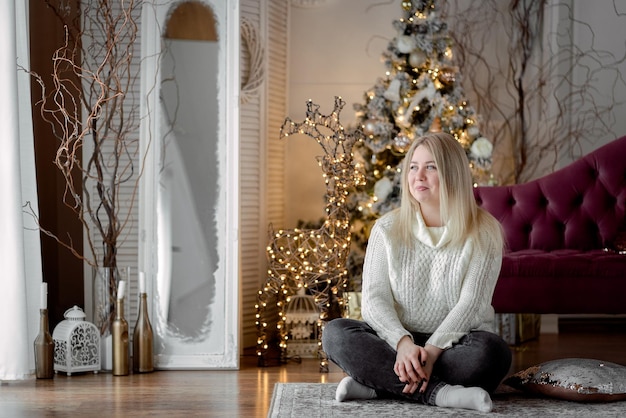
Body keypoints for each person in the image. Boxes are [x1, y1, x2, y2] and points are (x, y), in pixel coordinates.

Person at [322, 132, 512, 412]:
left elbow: (471, 305)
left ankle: (377, 386)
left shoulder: (483, 231)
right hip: (396, 342)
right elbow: (375, 300)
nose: (418, 175)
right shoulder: (386, 228)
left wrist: (432, 351)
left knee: (492, 354)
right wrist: (402, 345)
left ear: (452, 173)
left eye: (430, 167)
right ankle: (441, 394)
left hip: (454, 345)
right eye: (413, 166)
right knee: (335, 334)